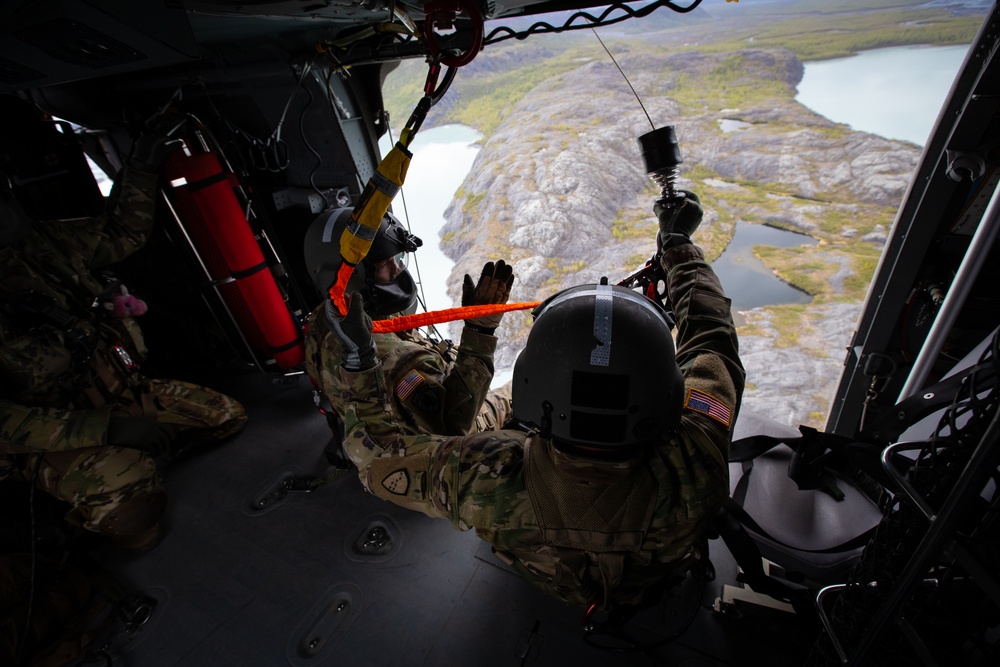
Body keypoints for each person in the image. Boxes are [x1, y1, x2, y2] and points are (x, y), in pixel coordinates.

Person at [322, 188, 744, 613]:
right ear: (667, 399)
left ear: (532, 393)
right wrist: (678, 247)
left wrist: (359, 365)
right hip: (648, 589)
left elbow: (376, 463)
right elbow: (713, 337)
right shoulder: (699, 460)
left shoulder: (489, 473)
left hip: (544, 581)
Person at [0, 97, 248, 554]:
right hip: (55, 432)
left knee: (228, 417)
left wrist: (142, 164)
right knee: (132, 505)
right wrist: (105, 432)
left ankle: (132, 461)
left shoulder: (42, 246)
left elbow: (122, 232)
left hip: (120, 395)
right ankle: (91, 508)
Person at [303, 207, 516, 442]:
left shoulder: (325, 317)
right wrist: (479, 332)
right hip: (443, 449)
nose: (398, 269)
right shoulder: (396, 360)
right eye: (384, 264)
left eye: (398, 258)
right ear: (351, 277)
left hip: (372, 430)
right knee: (519, 391)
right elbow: (454, 424)